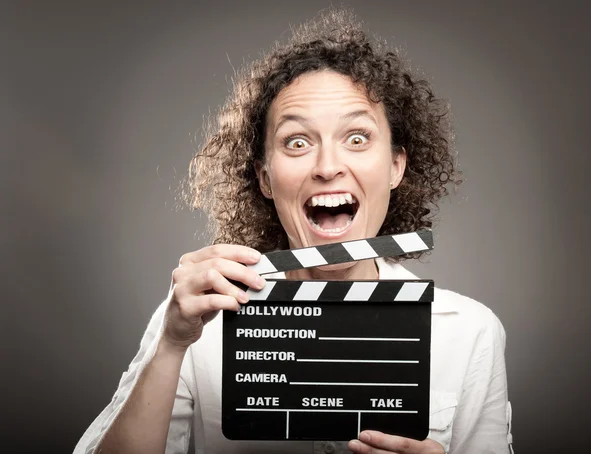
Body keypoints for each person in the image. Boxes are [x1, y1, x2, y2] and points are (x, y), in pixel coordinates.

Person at [75, 8, 513, 454]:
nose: (327, 167)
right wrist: (171, 343)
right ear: (265, 177)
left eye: (357, 138)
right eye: (297, 142)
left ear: (395, 166)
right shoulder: (193, 321)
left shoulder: (469, 332)